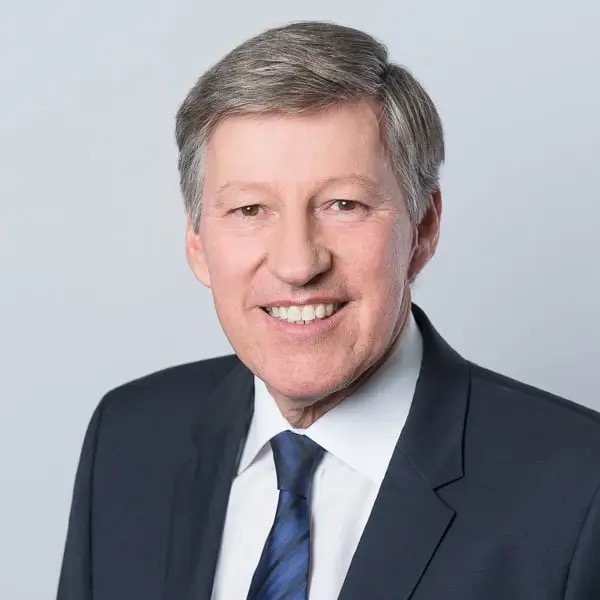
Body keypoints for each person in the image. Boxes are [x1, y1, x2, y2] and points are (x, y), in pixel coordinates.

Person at [57, 21, 600, 600]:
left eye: (344, 204)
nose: (297, 264)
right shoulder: (129, 438)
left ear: (423, 227)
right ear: (197, 242)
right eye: (249, 210)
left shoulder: (579, 490)